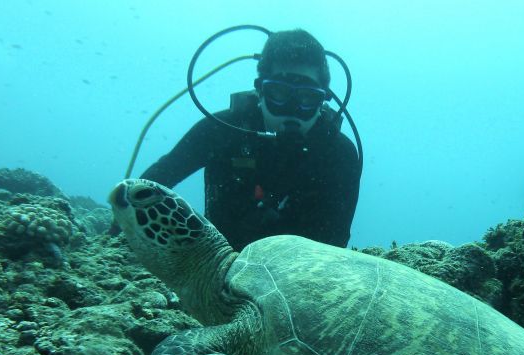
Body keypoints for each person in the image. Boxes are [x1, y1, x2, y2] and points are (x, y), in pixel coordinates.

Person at [140, 29, 361, 251]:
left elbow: (337, 240)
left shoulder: (340, 155)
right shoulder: (221, 132)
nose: (292, 109)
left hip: (304, 269)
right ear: (260, 91)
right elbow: (151, 184)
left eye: (307, 97)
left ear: (322, 101)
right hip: (219, 261)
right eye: (279, 93)